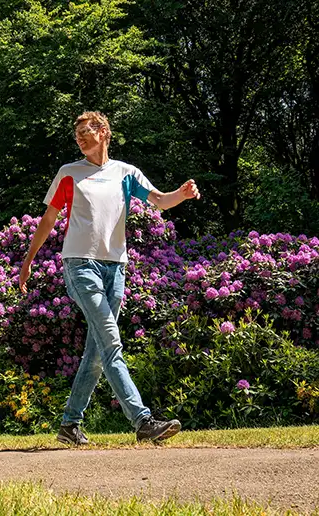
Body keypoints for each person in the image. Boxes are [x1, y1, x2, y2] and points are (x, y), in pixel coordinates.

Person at [19, 111, 201, 445]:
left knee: (98, 351)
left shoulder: (126, 173)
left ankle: (69, 425)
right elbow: (47, 219)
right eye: (76, 135)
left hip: (116, 267)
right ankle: (142, 421)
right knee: (111, 341)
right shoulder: (69, 174)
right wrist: (28, 260)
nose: (80, 138)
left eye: (85, 132)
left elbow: (160, 201)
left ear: (103, 132)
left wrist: (183, 194)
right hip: (80, 265)